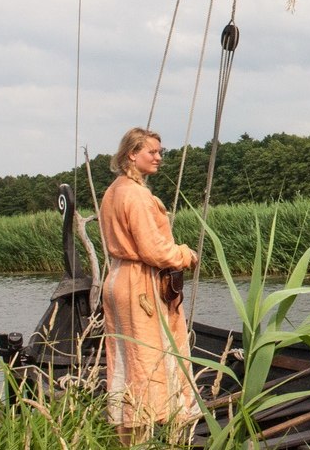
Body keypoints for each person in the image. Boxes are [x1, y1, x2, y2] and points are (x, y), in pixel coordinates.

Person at [99, 127, 199, 444]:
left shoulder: (114, 190)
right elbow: (153, 250)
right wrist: (185, 255)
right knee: (151, 357)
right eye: (152, 152)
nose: (158, 157)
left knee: (125, 359)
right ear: (132, 154)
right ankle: (161, 435)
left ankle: (126, 434)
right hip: (140, 282)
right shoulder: (136, 194)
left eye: (160, 152)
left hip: (117, 279)